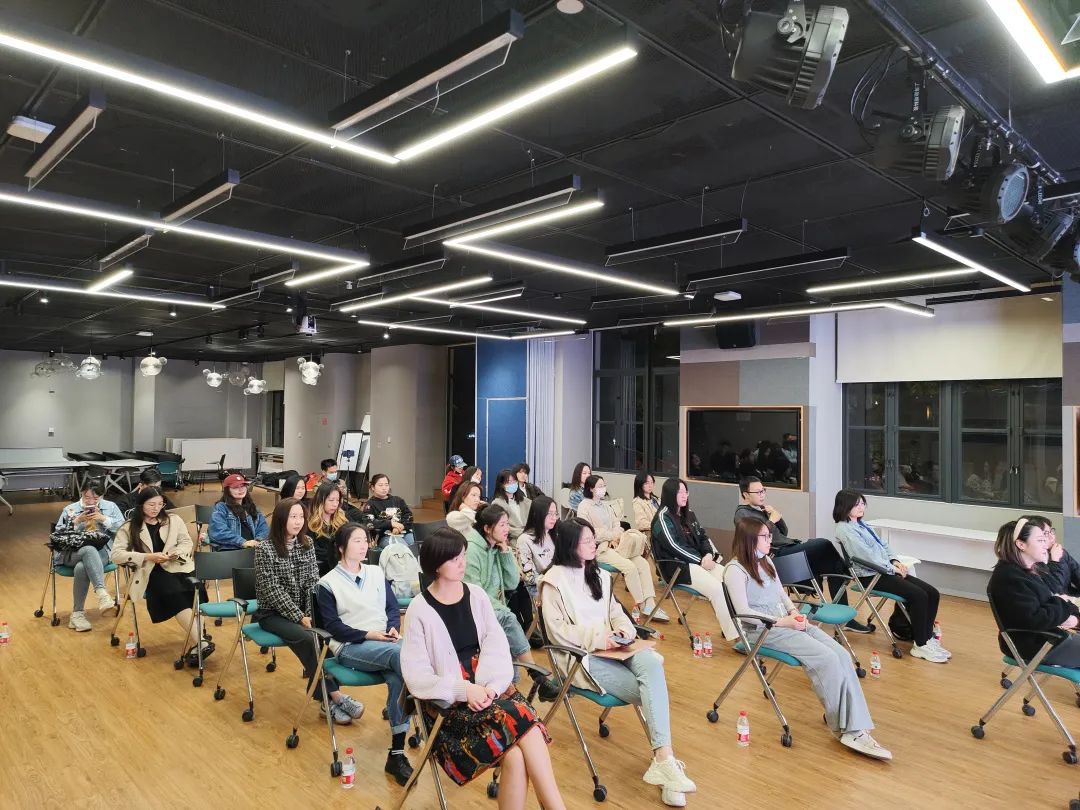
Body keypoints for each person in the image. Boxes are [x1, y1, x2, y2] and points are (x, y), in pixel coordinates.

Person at [401, 526, 565, 810]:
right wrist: (465, 690)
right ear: (436, 565)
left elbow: (496, 645)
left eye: (463, 556)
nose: (462, 563)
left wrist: (490, 687)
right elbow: (416, 677)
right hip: (449, 710)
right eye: (454, 559)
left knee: (517, 751)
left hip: (491, 690)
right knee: (525, 727)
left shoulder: (476, 595)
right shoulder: (419, 609)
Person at [541, 518, 698, 806]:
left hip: (615, 648)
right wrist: (599, 638)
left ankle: (663, 761)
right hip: (580, 658)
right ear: (569, 545)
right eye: (587, 541)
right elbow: (558, 632)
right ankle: (666, 764)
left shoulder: (598, 574)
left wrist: (624, 629)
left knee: (652, 666)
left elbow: (615, 611)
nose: (594, 545)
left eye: (593, 539)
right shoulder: (554, 582)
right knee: (651, 690)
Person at [725, 516, 892, 760]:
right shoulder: (735, 570)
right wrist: (785, 622)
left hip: (786, 622)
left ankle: (855, 725)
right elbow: (744, 612)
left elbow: (782, 594)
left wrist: (794, 612)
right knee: (826, 659)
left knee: (841, 654)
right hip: (763, 631)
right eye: (765, 536)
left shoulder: (766, 561)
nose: (770, 540)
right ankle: (847, 730)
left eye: (770, 535)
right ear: (749, 539)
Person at [316, 523, 413, 785]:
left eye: (365, 540)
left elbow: (392, 607)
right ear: (341, 547)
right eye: (356, 541)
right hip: (351, 646)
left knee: (399, 676)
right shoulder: (327, 583)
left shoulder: (376, 572)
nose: (364, 545)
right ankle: (432, 707)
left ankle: (396, 754)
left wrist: (392, 627)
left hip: (388, 642)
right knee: (401, 656)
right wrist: (370, 634)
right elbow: (333, 627)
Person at [254, 497, 363, 726]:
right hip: (272, 613)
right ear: (281, 519)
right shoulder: (265, 548)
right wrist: (299, 616)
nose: (298, 521)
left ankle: (325, 698)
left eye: (301, 517)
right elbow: (271, 589)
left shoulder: (307, 544)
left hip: (303, 611)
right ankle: (335, 697)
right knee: (308, 638)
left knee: (327, 633)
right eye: (292, 517)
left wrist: (310, 613)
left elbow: (312, 581)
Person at [735, 476, 870, 634]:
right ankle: (849, 571)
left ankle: (846, 620)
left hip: (788, 547)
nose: (762, 495)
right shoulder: (742, 514)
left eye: (763, 490)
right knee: (823, 543)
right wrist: (771, 520)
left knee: (833, 566)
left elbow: (783, 533)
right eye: (758, 492)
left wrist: (777, 517)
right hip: (776, 555)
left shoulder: (761, 509)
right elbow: (755, 538)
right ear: (745, 494)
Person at [833, 489, 947, 663]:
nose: (861, 507)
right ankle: (920, 644)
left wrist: (895, 561)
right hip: (870, 576)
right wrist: (892, 569)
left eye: (862, 503)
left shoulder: (861, 524)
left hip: (884, 570)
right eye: (856, 504)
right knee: (919, 595)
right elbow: (866, 557)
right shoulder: (845, 529)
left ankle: (927, 638)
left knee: (932, 593)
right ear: (845, 506)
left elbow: (883, 545)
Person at [464, 504, 559, 700]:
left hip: (497, 608)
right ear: (487, 528)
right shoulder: (472, 550)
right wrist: (501, 609)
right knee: (508, 619)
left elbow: (512, 582)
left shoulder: (496, 547)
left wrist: (506, 552)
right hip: (475, 609)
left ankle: (514, 695)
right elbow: (475, 592)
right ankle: (537, 676)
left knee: (508, 633)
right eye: (502, 525)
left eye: (507, 524)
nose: (507, 529)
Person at [112, 486, 209, 661]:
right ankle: (200, 642)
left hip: (178, 565)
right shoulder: (129, 527)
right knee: (174, 593)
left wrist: (176, 553)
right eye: (151, 504)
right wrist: (147, 557)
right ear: (141, 505)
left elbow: (186, 542)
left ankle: (197, 643)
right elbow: (117, 555)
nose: (156, 508)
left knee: (195, 590)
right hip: (152, 572)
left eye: (160, 504)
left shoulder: (173, 520)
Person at [651, 478, 737, 640]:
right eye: (680, 492)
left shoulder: (689, 514)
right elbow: (674, 547)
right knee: (717, 589)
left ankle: (742, 627)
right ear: (670, 494)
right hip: (676, 567)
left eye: (686, 492)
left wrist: (708, 554)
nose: (685, 495)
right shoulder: (662, 518)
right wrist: (700, 560)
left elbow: (703, 537)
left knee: (731, 580)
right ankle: (737, 636)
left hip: (698, 562)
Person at [988, 518, 1080, 666]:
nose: (1046, 544)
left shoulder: (1033, 569)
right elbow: (1036, 618)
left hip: (1050, 637)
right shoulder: (1009, 577)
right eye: (1040, 540)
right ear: (1021, 544)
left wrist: (1074, 617)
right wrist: (1063, 603)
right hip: (1037, 646)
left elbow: (1057, 599)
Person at [576, 474, 666, 621]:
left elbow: (618, 525)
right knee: (629, 567)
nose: (603, 488)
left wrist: (615, 536)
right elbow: (589, 531)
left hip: (617, 544)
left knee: (643, 563)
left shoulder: (605, 505)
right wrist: (610, 536)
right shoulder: (584, 506)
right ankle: (641, 604)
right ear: (591, 489)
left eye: (604, 485)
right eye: (600, 486)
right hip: (600, 549)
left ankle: (651, 603)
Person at [55, 480, 125, 631]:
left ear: (102, 496)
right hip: (72, 553)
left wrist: (103, 519)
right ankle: (101, 592)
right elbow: (58, 534)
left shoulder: (110, 507)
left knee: (82, 567)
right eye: (87, 497)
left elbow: (124, 529)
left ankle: (77, 614)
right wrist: (77, 521)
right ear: (81, 493)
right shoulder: (70, 509)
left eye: (96, 498)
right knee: (88, 549)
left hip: (102, 552)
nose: (91, 501)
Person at [207, 474, 269, 551]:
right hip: (231, 551)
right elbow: (218, 531)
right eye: (235, 487)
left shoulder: (252, 507)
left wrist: (258, 541)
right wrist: (242, 542)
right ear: (227, 490)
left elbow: (263, 528)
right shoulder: (221, 507)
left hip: (253, 550)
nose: (241, 490)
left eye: (243, 486)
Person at [1025, 515, 1080, 597]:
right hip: (1058, 601)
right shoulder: (1033, 563)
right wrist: (1055, 562)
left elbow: (1077, 572)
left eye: (1051, 531)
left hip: (1072, 597)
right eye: (1045, 533)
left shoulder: (1059, 552)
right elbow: (1055, 591)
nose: (1052, 536)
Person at [517, 496, 558, 597]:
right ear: (537, 514)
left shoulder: (556, 535)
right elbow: (529, 577)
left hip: (559, 586)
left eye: (555, 513)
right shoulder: (525, 540)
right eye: (549, 514)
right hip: (540, 591)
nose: (554, 518)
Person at [360, 473, 415, 548]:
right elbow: (369, 522)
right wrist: (391, 524)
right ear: (373, 487)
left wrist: (400, 526)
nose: (384, 488)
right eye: (380, 485)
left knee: (415, 546)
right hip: (384, 536)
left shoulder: (398, 500)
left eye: (386, 485)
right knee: (401, 547)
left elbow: (409, 516)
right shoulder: (370, 505)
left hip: (404, 532)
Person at [308, 481, 350, 577]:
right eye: (331, 500)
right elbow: (313, 550)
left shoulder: (343, 518)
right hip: (322, 569)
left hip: (343, 565)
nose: (335, 504)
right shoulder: (310, 523)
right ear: (320, 500)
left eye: (337, 500)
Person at [491, 468, 531, 543]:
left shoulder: (526, 501)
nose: (512, 484)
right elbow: (502, 526)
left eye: (514, 481)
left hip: (530, 538)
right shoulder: (497, 504)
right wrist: (523, 533)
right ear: (501, 485)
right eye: (509, 482)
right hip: (511, 540)